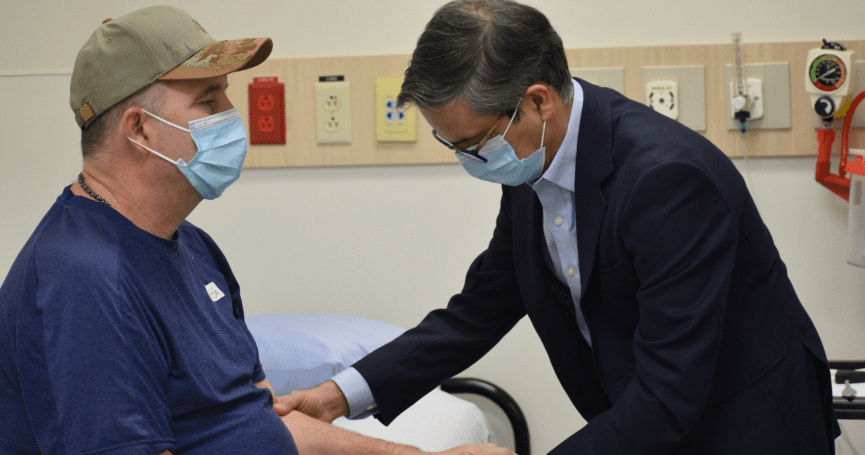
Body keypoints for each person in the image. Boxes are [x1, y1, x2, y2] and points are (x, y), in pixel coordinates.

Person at [278, 1, 842, 454]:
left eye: (473, 144)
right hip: (645, 422)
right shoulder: (533, 161)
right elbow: (481, 309)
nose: (468, 160)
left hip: (746, 425)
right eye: (451, 144)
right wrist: (337, 396)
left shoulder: (666, 181)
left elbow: (669, 392)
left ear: (536, 101)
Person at [0, 6, 515, 455]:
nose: (231, 116)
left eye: (226, 95)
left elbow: (261, 422)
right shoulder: (85, 280)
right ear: (138, 129)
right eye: (208, 101)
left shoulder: (193, 248)